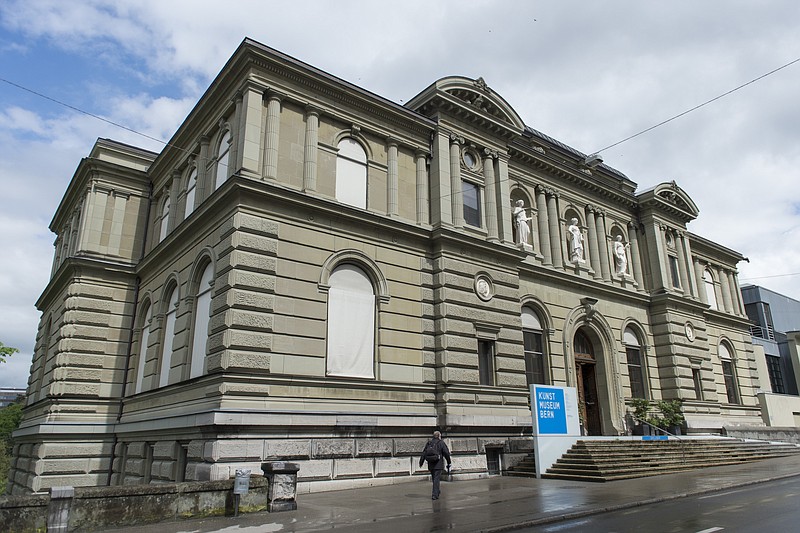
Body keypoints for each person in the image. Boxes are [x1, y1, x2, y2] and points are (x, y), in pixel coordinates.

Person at [419, 430, 452, 500]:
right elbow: (446, 453)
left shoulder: (429, 443)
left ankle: (437, 491)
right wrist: (449, 462)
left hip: (431, 464)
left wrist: (421, 462)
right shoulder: (441, 443)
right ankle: (435, 494)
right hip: (438, 464)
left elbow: (424, 453)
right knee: (436, 479)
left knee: (435, 479)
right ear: (439, 436)